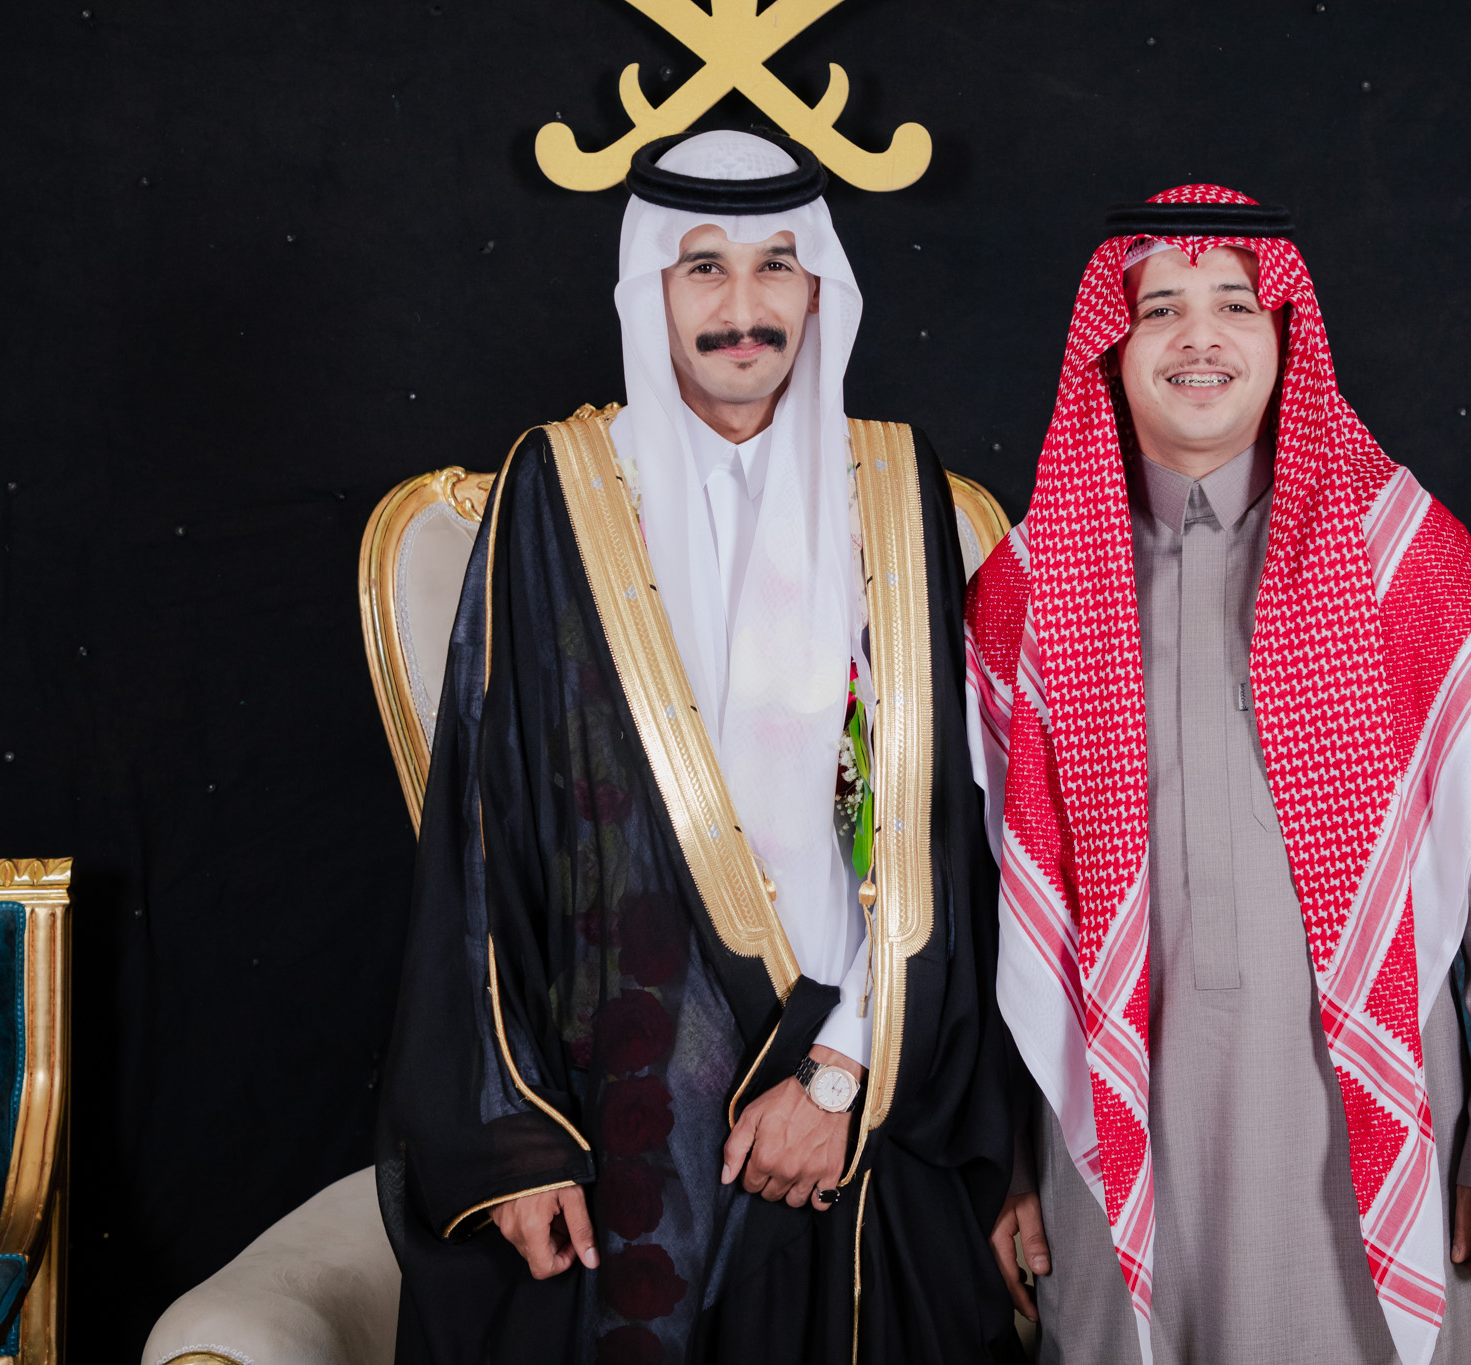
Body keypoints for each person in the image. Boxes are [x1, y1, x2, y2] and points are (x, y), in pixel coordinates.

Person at [376, 129, 1023, 1365]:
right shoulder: (558, 491)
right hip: (612, 1100)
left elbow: (938, 829)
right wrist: (516, 1136)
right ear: (650, 290)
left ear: (818, 287)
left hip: (857, 1087)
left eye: (776, 265)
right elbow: (482, 829)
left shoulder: (894, 488)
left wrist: (840, 1075)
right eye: (704, 269)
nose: (742, 308)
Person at [966, 185, 1471, 1365]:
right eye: (1159, 309)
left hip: (1363, 1123)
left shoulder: (1396, 558)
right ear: (1110, 347)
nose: (1198, 337)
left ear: (1286, 338)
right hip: (1108, 1135)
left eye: (1235, 305)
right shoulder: (1026, 592)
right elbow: (985, 907)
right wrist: (1005, 1167)